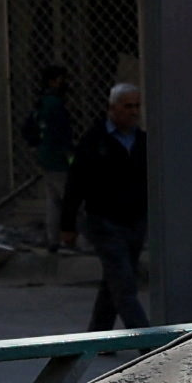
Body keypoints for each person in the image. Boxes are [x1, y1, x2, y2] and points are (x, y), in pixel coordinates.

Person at [61, 80, 152, 327]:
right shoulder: (94, 141)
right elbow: (75, 183)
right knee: (124, 283)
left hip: (134, 222)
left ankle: (98, 335)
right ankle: (149, 342)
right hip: (104, 221)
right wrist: (67, 224)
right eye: (127, 106)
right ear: (112, 108)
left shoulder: (143, 142)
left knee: (116, 278)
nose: (133, 111)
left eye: (136, 106)